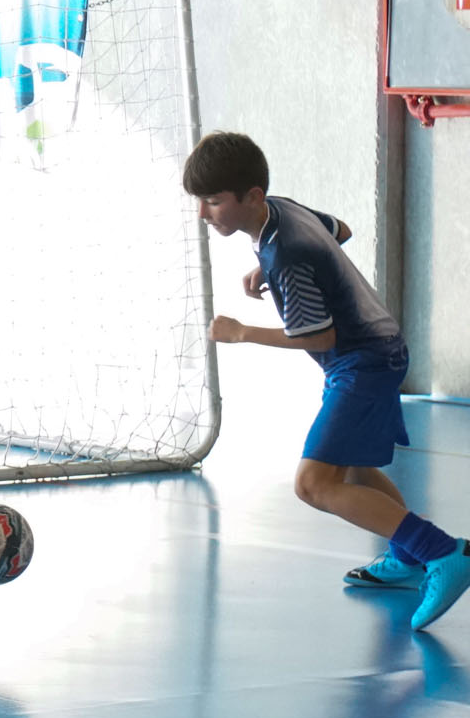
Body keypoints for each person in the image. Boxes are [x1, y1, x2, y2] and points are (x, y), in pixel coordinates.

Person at [187, 130, 470, 629]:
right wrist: (265, 272)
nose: (204, 213)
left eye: (213, 202)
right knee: (356, 471)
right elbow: (339, 230)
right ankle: (406, 559)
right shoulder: (281, 209)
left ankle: (443, 552)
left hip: (362, 361)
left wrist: (243, 331)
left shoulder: (285, 253)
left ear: (250, 197)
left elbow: (319, 338)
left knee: (314, 484)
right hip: (374, 352)